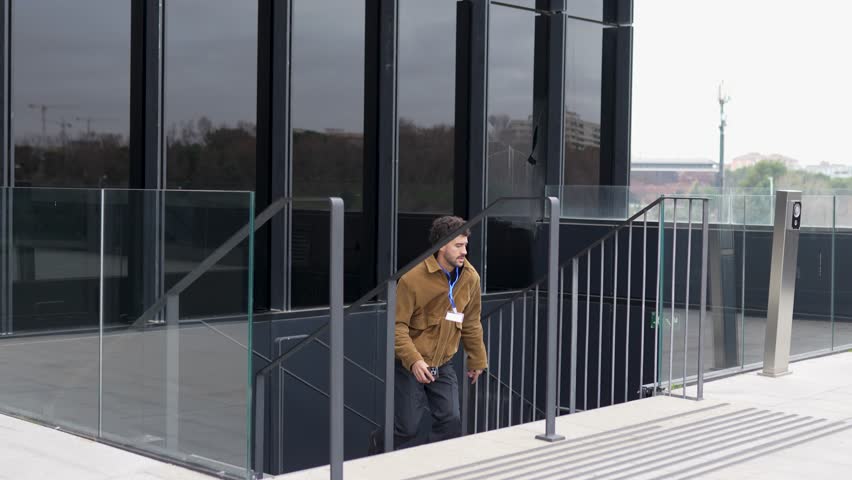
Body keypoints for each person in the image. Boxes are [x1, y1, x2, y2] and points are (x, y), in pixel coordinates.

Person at [371, 215, 488, 453]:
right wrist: (414, 361)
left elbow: (472, 322)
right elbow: (397, 327)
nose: (464, 251)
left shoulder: (470, 278)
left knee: (451, 423)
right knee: (406, 429)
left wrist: (477, 359)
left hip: (443, 365)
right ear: (441, 245)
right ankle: (377, 446)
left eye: (465, 245)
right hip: (410, 366)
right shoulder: (412, 279)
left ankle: (424, 461)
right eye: (458, 245)